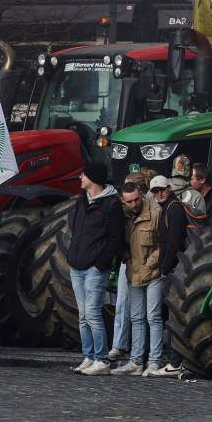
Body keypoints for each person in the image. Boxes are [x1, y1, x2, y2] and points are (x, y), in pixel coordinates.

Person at [68, 161, 125, 376]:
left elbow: (115, 239)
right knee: (83, 315)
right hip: (77, 265)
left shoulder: (111, 205)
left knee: (92, 313)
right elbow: (75, 229)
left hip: (94, 268)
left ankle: (102, 361)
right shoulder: (81, 201)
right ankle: (89, 356)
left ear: (93, 177)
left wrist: (99, 264)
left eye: (83, 174)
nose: (80, 178)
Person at [112, 181, 164, 376]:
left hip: (153, 274)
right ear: (123, 201)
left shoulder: (155, 214)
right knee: (136, 318)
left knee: (153, 317)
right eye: (129, 202)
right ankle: (136, 361)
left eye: (136, 199)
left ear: (141, 195)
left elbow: (164, 244)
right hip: (133, 274)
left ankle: (154, 361)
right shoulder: (123, 218)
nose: (134, 204)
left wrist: (150, 264)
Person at [145, 175, 189, 377]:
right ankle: (173, 359)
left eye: (162, 189)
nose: (159, 193)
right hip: (171, 267)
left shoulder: (174, 209)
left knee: (171, 316)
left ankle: (176, 361)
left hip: (174, 269)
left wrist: (164, 269)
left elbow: (173, 243)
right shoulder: (168, 208)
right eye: (155, 191)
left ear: (169, 189)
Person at [109, 171, 151, 361]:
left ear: (140, 191)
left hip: (147, 263)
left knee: (145, 312)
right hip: (129, 262)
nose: (130, 203)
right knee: (123, 305)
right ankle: (119, 345)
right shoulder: (122, 212)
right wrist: (125, 257)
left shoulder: (151, 210)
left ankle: (140, 351)